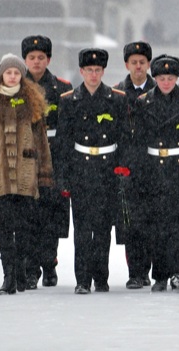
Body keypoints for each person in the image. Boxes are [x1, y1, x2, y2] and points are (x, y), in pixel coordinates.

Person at [0, 54, 53, 295]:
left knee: (26, 227)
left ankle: (22, 272)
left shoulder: (32, 103)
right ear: (2, 74)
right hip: (0, 175)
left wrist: (45, 175)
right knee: (6, 227)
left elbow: (42, 143)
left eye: (16, 73)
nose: (12, 76)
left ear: (22, 75)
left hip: (26, 174)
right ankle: (8, 276)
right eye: (8, 72)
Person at [123, 54, 179, 291]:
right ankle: (159, 275)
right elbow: (137, 139)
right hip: (152, 169)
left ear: (177, 78)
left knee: (178, 225)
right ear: (155, 78)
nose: (166, 82)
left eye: (170, 78)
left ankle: (178, 273)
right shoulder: (143, 102)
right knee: (156, 225)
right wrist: (136, 169)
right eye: (161, 78)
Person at [54, 48, 130, 294]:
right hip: (81, 168)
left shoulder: (116, 99)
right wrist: (63, 178)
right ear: (81, 71)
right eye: (89, 70)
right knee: (83, 227)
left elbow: (124, 137)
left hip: (107, 168)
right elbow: (63, 143)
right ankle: (82, 279)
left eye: (98, 70)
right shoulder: (68, 100)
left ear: (103, 71)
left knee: (104, 227)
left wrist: (122, 170)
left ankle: (101, 277)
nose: (94, 75)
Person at [21, 35, 73, 288]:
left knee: (52, 214)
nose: (37, 61)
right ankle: (31, 269)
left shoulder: (63, 89)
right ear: (25, 60)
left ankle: (49, 264)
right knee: (29, 215)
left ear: (49, 59)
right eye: (32, 58)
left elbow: (69, 127)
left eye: (41, 57)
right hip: (27, 157)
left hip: (54, 156)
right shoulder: (17, 87)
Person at [114, 41, 155, 290]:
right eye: (134, 63)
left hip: (153, 164)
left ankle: (147, 270)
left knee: (151, 221)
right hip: (127, 165)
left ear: (148, 64)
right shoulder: (117, 93)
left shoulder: (159, 89)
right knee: (130, 222)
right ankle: (134, 272)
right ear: (127, 64)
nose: (138, 67)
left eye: (142, 62)